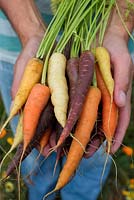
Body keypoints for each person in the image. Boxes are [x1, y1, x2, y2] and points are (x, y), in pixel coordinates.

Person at [0, 0, 133, 200]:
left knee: (94, 152)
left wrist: (117, 29)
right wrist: (30, 33)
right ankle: (40, 191)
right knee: (35, 151)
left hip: (105, 40)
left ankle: (79, 195)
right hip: (21, 41)